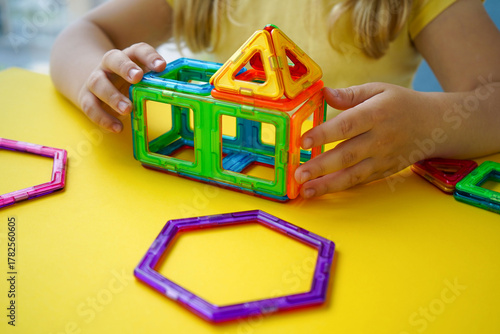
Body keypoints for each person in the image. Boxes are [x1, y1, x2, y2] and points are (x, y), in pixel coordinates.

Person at [50, 0, 500, 199]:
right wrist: (98, 78)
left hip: (353, 213)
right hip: (207, 198)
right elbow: (79, 36)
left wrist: (426, 124)